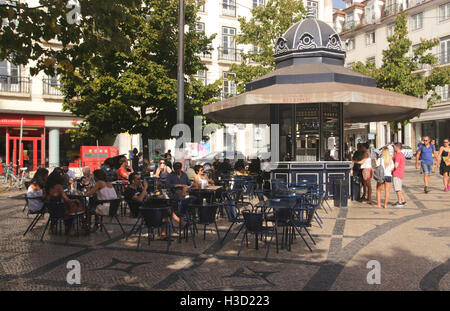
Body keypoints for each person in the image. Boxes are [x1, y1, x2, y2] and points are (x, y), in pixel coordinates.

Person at [44, 170, 85, 234]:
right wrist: (75, 200)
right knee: (71, 210)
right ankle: (69, 228)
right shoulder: (58, 187)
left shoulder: (46, 186)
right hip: (59, 209)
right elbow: (67, 200)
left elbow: (44, 197)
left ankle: (52, 226)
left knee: (64, 208)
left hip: (50, 208)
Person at [392, 143, 407, 207]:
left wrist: (391, 170)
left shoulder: (398, 155)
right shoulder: (401, 154)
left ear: (397, 147)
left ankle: (399, 201)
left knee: (397, 188)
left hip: (397, 173)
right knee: (399, 188)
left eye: (394, 147)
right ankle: (403, 200)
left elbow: (396, 165)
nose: (393, 148)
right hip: (400, 173)